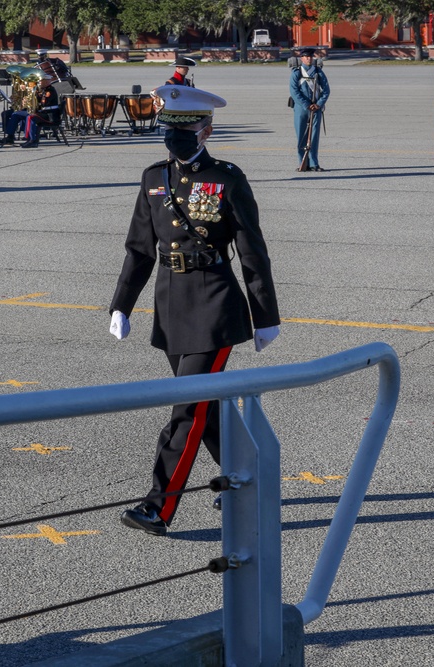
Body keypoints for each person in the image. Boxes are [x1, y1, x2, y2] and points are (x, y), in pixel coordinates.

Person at [110, 85, 281, 537]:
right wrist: (122, 305)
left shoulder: (227, 178)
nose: (175, 136)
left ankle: (158, 507)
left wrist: (265, 316)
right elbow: (139, 250)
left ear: (206, 129)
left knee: (187, 409)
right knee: (206, 410)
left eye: (184, 128)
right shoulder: (152, 178)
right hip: (171, 303)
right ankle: (251, 478)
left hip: (214, 305)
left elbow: (252, 252)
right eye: (169, 128)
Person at [289, 47, 329, 172]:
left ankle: (314, 163)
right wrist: (307, 104)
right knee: (301, 136)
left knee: (314, 137)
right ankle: (303, 163)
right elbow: (294, 92)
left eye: (310, 56)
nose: (309, 58)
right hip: (301, 108)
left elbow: (326, 90)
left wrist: (319, 104)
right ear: (301, 58)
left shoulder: (318, 72)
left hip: (316, 108)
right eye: (306, 56)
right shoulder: (297, 73)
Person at [19, 75, 60, 148]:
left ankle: (32, 140)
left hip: (50, 115)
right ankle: (29, 139)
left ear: (47, 81)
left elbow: (44, 103)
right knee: (29, 116)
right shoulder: (44, 90)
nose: (39, 82)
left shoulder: (50, 91)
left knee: (30, 117)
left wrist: (34, 96)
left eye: (41, 81)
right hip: (45, 113)